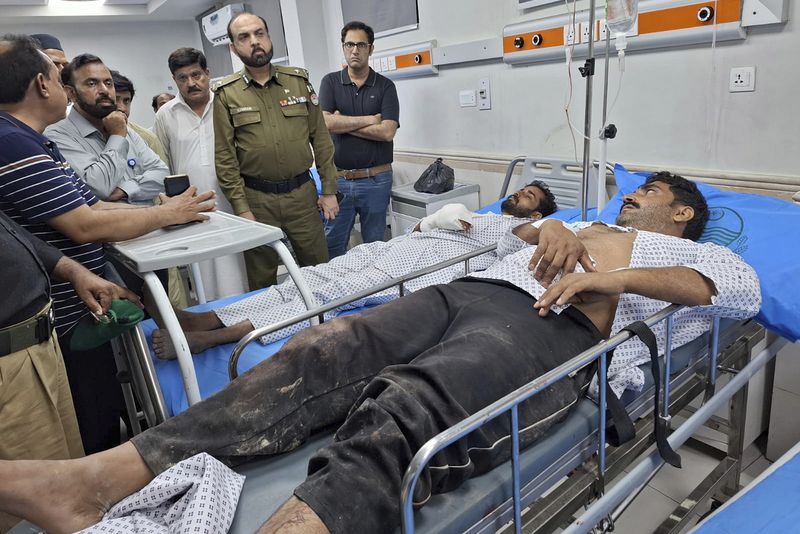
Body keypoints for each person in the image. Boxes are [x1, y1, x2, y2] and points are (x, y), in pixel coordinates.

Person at [0, 172, 761, 534]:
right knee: (315, 351)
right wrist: (544, 228)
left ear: (680, 212)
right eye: (629, 192)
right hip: (469, 294)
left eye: (647, 191)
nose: (629, 196)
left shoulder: (670, 249)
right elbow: (490, 236)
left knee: (414, 401)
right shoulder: (574, 224)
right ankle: (98, 481)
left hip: (551, 331)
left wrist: (611, 273)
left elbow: (738, 291)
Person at [0, 34, 215, 453]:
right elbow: (83, 225)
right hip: (62, 312)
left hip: (85, 298)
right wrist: (163, 214)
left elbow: (94, 204)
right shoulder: (12, 142)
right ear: (44, 86)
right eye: (59, 77)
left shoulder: (31, 139)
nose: (65, 86)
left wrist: (165, 210)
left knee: (111, 396)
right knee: (92, 417)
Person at [152, 181, 557, 357]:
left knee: (337, 294)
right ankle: (207, 316)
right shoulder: (481, 212)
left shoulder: (522, 228)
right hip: (406, 245)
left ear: (537, 211)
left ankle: (226, 335)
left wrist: (548, 225)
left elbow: (515, 244)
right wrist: (435, 220)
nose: (519, 194)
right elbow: (421, 225)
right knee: (316, 274)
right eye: (521, 189)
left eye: (529, 195)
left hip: (428, 265)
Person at [0, 210, 139, 532]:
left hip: (36, 352)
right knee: (30, 508)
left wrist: (74, 271)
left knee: (67, 485)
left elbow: (11, 232)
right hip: (10, 368)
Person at [214, 12, 339, 290]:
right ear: (234, 48)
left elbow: (321, 140)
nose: (254, 42)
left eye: (259, 33)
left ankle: (325, 327)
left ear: (270, 38)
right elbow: (225, 158)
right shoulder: (226, 94)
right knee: (262, 282)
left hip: (302, 199)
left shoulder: (298, 82)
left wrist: (329, 190)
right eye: (244, 37)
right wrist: (242, 208)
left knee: (319, 272)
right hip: (257, 202)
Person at [154, 47, 248, 301]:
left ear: (207, 73)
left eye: (196, 75)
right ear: (175, 81)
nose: (191, 83)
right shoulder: (166, 115)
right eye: (182, 78)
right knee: (204, 275)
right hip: (192, 207)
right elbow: (163, 163)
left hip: (233, 202)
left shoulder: (228, 103)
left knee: (241, 269)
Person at [319, 21, 400, 258]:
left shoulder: (386, 86)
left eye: (361, 45)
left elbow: (387, 132)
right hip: (339, 181)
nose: (355, 50)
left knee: (375, 248)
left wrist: (342, 123)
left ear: (370, 49)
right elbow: (325, 123)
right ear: (343, 48)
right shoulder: (330, 82)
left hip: (376, 179)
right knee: (333, 246)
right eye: (349, 44)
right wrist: (369, 120)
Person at [45, 53, 168, 204]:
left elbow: (162, 174)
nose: (104, 90)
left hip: (151, 222)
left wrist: (125, 189)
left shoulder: (124, 129)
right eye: (92, 83)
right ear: (71, 93)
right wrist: (116, 136)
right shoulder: (57, 136)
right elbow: (99, 188)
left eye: (108, 83)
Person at [110, 70, 168, 165]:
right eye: (116, 100)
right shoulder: (86, 138)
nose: (123, 108)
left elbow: (162, 176)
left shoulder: (148, 138)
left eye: (126, 101)